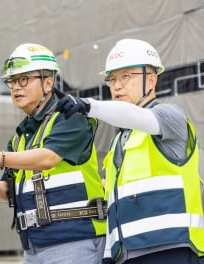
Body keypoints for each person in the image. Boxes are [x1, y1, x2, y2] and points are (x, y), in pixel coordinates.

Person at [54, 38, 204, 264]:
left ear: (151, 80)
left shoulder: (169, 117)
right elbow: (115, 202)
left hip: (171, 249)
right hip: (126, 254)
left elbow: (136, 116)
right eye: (112, 79)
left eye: (126, 76)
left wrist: (89, 106)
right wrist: (108, 255)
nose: (117, 85)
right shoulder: (120, 141)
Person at [0, 43, 106, 264]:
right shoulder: (19, 138)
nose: (16, 87)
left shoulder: (71, 117)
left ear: (48, 82)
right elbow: (8, 193)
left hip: (75, 240)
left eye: (24, 79)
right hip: (33, 246)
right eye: (12, 81)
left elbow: (48, 158)